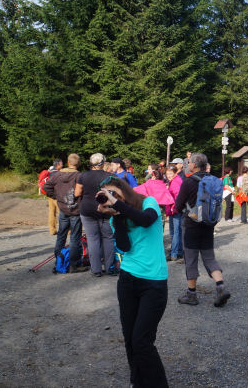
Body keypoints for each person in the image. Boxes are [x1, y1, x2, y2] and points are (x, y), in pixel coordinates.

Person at [96, 175, 168, 387]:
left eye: (114, 194)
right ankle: (137, 381)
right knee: (129, 339)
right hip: (128, 280)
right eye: (107, 196)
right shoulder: (115, 216)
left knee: (142, 341)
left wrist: (117, 204)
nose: (111, 199)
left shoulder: (149, 203)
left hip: (153, 283)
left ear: (124, 191)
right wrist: (116, 215)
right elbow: (125, 247)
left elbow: (146, 220)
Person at [174, 153, 231, 307]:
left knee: (191, 260)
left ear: (193, 165)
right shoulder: (212, 180)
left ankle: (191, 295)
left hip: (191, 226)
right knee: (209, 258)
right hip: (208, 225)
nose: (188, 164)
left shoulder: (188, 182)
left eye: (189, 162)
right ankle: (220, 286)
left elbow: (178, 206)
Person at [43, 154, 88, 274]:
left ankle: (59, 262)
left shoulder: (57, 175)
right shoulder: (79, 176)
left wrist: (56, 197)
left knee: (61, 236)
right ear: (78, 164)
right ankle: (74, 265)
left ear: (68, 162)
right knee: (75, 237)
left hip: (63, 209)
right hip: (75, 210)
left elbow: (46, 186)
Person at [74, 153, 114, 277]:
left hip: (87, 210)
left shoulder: (83, 175)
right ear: (103, 163)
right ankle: (110, 268)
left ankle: (96, 270)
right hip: (106, 209)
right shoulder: (110, 176)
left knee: (93, 239)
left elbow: (77, 193)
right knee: (108, 238)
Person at [164, 165, 184, 261]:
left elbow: (178, 196)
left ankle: (174, 253)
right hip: (176, 209)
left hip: (175, 210)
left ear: (175, 173)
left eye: (170, 173)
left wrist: (174, 208)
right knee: (178, 231)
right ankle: (179, 251)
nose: (169, 175)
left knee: (174, 232)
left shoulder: (175, 182)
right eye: (167, 173)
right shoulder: (176, 180)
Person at [41, 159, 63, 235]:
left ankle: (52, 230)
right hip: (57, 196)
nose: (62, 165)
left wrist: (50, 194)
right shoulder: (58, 174)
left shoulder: (49, 172)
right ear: (58, 165)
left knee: (51, 213)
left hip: (50, 196)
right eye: (61, 164)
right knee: (62, 213)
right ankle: (67, 230)